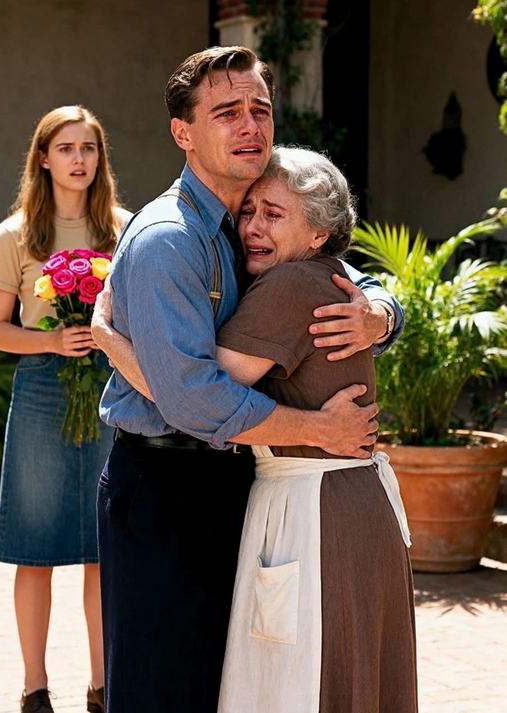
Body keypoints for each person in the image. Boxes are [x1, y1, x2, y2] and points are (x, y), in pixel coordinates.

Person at [91, 47, 404, 713]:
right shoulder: (170, 239)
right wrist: (318, 428)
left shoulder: (249, 221)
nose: (249, 125)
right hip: (165, 485)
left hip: (236, 478)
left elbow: (337, 270)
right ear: (183, 132)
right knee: (161, 689)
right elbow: (193, 398)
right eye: (226, 112)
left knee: (223, 684)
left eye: (259, 110)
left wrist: (382, 313)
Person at [211, 147, 417, 712]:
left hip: (318, 509)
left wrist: (109, 338)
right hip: (350, 501)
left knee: (306, 681)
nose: (253, 227)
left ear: (319, 234)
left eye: (273, 214)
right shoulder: (322, 276)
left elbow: (202, 394)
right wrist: (385, 311)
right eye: (249, 211)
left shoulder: (290, 285)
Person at [0, 105, 131, 713]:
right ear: (43, 158)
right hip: (42, 389)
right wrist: (50, 341)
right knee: (35, 546)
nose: (79, 159)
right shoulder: (16, 234)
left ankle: (103, 685)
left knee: (103, 546)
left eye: (89, 148)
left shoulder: (124, 229)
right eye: (66, 148)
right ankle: (35, 688)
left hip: (109, 387)